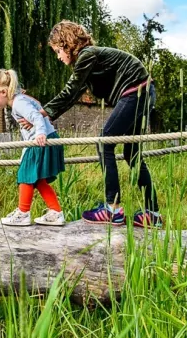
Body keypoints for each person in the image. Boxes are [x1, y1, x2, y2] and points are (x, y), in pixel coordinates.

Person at [40, 20, 161, 228]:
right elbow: (75, 94)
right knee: (132, 154)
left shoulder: (87, 55)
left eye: (58, 51)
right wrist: (51, 114)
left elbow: (70, 89)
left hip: (135, 92)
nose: (58, 57)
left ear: (67, 44)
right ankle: (152, 213)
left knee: (104, 143)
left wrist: (45, 111)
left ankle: (112, 209)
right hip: (143, 92)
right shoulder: (90, 60)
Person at [0, 69, 66, 227]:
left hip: (41, 140)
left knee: (25, 175)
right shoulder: (20, 100)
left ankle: (23, 213)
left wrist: (40, 134)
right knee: (38, 180)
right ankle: (55, 212)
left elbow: (36, 116)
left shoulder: (18, 102)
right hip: (44, 139)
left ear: (3, 91)